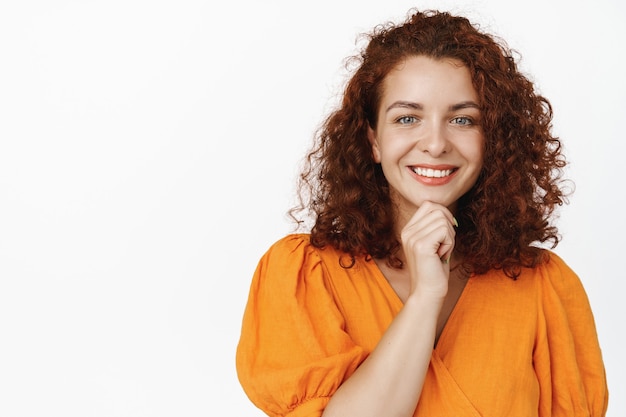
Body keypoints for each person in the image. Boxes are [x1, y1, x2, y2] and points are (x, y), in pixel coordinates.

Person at [236, 9, 608, 417]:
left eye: (462, 119)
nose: (435, 143)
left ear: (493, 141)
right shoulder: (304, 275)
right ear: (373, 140)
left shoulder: (544, 288)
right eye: (407, 118)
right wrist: (426, 296)